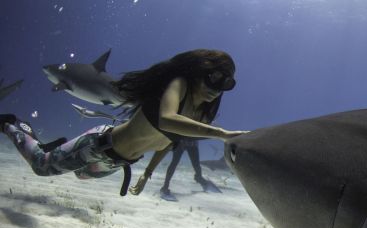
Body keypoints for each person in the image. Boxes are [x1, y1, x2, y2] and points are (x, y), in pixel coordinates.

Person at [0, 49, 246, 196]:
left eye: (227, 83)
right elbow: (167, 120)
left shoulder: (200, 115)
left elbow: (168, 142)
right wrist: (222, 133)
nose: (217, 88)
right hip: (100, 144)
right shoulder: (179, 85)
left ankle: (60, 148)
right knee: (42, 167)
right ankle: (12, 125)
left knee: (81, 176)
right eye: (214, 78)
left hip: (118, 162)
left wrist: (148, 174)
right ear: (199, 70)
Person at [128, 136, 221, 201]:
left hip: (193, 142)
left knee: (196, 165)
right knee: (174, 163)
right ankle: (165, 187)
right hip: (181, 141)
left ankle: (200, 179)